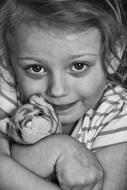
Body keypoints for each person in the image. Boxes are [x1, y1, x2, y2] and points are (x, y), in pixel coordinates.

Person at [0, 0, 127, 189]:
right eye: (36, 68)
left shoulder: (118, 113)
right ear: (8, 60)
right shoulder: (7, 86)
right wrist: (59, 149)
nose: (57, 90)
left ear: (111, 56)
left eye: (78, 66)